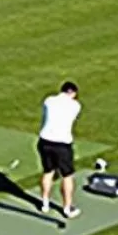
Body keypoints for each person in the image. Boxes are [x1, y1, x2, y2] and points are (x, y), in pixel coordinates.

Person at [38, 80, 82, 219]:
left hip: (45, 141)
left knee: (48, 172)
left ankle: (45, 203)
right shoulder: (75, 105)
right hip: (62, 144)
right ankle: (67, 208)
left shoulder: (49, 100)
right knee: (67, 176)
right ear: (73, 93)